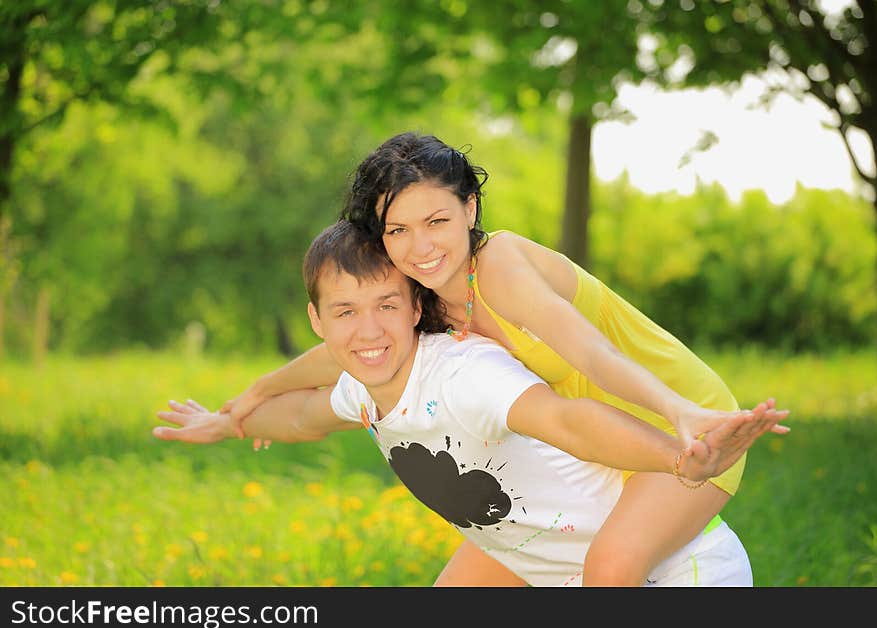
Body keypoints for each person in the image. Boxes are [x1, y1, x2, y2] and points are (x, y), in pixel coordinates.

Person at [213, 132, 790, 586]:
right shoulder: (428, 298)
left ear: (470, 208)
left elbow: (591, 351)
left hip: (679, 422)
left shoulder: (500, 267)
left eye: (437, 221)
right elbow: (345, 352)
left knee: (611, 568)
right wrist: (257, 394)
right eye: (398, 230)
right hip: (600, 442)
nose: (421, 246)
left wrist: (682, 412)